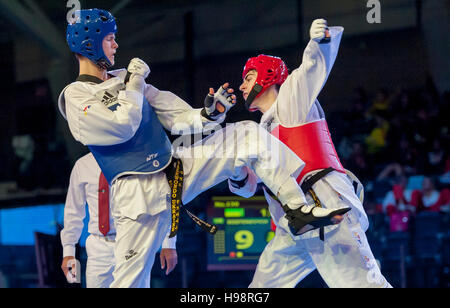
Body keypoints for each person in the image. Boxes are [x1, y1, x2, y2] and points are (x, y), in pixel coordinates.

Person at [58, 9, 346, 288]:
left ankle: (297, 211)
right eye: (110, 38)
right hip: (136, 197)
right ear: (90, 42)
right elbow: (124, 124)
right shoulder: (76, 96)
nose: (116, 44)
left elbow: (177, 116)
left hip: (174, 172)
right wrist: (135, 81)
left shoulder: (126, 79)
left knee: (245, 133)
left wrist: (209, 114)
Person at [232, 18, 391, 287]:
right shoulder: (258, 132)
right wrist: (234, 168)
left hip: (326, 207)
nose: (242, 86)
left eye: (248, 78)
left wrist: (320, 41)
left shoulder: (290, 101)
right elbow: (246, 187)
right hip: (293, 223)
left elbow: (312, 69)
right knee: (259, 289)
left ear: (268, 76)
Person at [60, 153, 177, 288]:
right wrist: (68, 252)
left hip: (133, 241)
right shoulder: (82, 166)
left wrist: (169, 242)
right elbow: (73, 212)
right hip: (98, 246)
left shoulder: (137, 159)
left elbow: (162, 199)